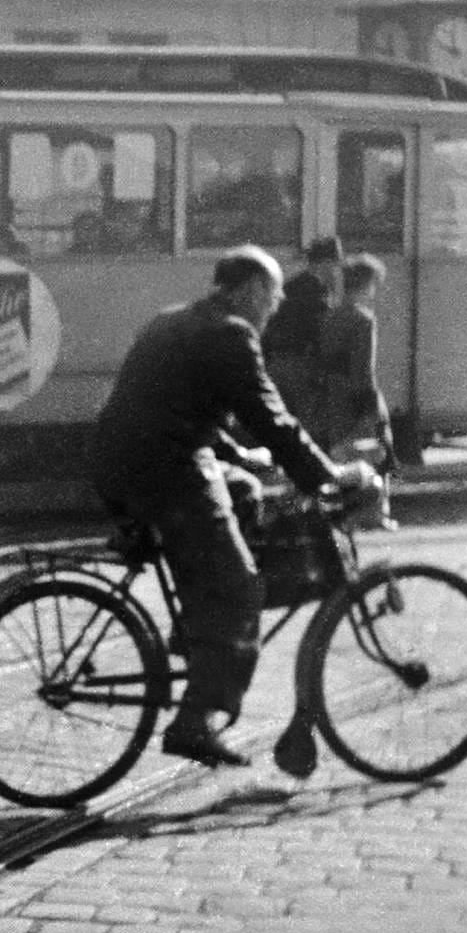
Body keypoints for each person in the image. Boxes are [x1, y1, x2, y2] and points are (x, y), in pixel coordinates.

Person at [88, 245, 371, 767]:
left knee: (241, 489)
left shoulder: (174, 319)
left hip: (118, 462)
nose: (277, 305)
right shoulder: (232, 335)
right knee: (241, 586)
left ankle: (196, 630)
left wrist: (240, 456)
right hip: (167, 474)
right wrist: (324, 477)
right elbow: (272, 419)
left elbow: (175, 402)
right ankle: (196, 720)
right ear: (250, 290)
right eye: (273, 293)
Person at [262, 236, 344, 437]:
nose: (337, 270)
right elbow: (320, 331)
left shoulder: (291, 286)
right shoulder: (317, 291)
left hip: (276, 363)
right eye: (335, 264)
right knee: (309, 425)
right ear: (326, 263)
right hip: (300, 366)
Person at [319, 254, 393, 458]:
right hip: (354, 399)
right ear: (368, 283)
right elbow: (363, 368)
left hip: (332, 396)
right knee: (373, 457)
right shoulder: (363, 320)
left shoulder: (329, 316)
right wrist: (371, 410)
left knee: (340, 457)